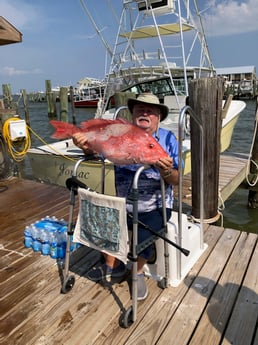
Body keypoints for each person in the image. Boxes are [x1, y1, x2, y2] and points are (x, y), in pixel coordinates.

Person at [72, 92, 179, 300]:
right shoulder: (119, 133)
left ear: (158, 116)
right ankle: (116, 264)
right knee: (93, 218)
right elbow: (96, 156)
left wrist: (166, 171)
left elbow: (176, 179)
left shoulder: (168, 139)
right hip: (122, 202)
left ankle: (137, 272)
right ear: (132, 114)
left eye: (150, 110)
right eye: (139, 109)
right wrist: (85, 148)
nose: (144, 113)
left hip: (154, 206)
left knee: (144, 235)